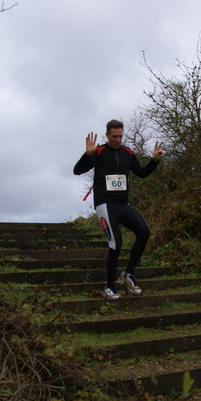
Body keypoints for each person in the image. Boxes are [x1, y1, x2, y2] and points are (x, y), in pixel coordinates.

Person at [73, 119, 164, 299]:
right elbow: (77, 171)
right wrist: (87, 154)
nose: (117, 139)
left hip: (122, 204)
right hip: (104, 205)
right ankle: (109, 287)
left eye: (120, 136)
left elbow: (142, 173)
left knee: (144, 232)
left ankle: (127, 274)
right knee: (116, 243)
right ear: (107, 135)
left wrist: (154, 161)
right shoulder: (98, 152)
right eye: (114, 136)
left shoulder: (127, 153)